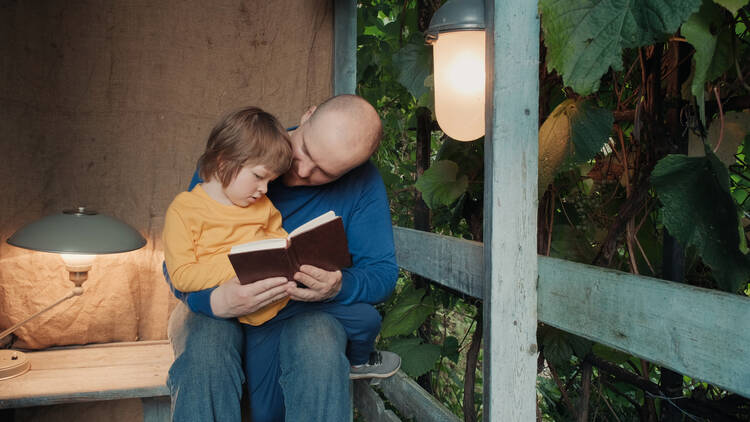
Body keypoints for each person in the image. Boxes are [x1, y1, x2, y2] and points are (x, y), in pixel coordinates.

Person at [165, 95, 399, 422]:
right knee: (206, 352)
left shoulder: (363, 183)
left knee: (318, 344)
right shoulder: (239, 155)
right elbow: (178, 265)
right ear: (307, 115)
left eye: (324, 172)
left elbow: (384, 274)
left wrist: (339, 286)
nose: (301, 170)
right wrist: (215, 302)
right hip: (214, 298)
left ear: (350, 170)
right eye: (304, 150)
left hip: (301, 309)